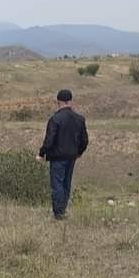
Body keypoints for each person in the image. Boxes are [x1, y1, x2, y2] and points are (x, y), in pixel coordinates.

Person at [37, 88, 89, 220]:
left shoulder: (55, 119)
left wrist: (41, 153)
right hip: (72, 156)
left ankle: (58, 213)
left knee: (57, 185)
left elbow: (49, 140)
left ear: (58, 102)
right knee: (66, 184)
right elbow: (84, 140)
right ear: (70, 101)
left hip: (57, 157)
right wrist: (79, 152)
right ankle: (63, 210)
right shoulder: (79, 119)